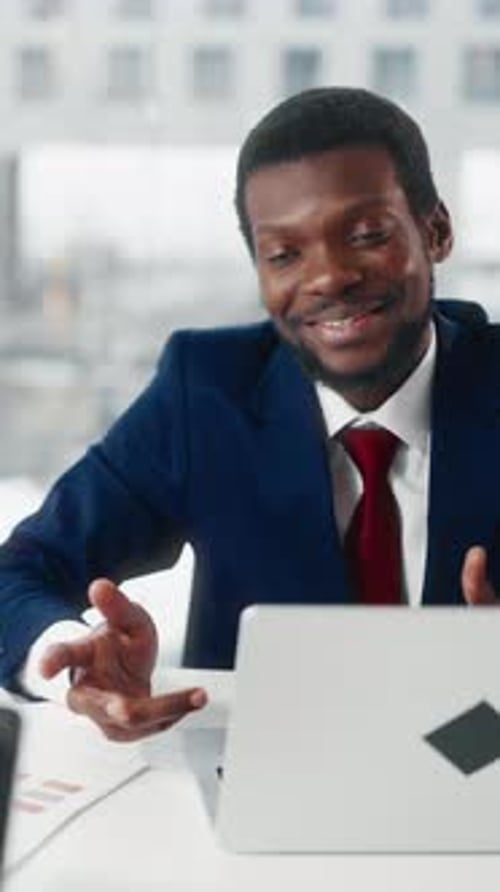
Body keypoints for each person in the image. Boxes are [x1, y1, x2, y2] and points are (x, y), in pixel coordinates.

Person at [0, 86, 498, 742]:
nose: (328, 277)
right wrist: (72, 660)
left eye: (367, 235)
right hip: (255, 796)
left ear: (434, 231)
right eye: (285, 254)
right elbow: (22, 573)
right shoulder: (206, 394)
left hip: (480, 772)